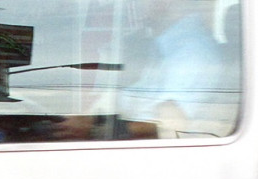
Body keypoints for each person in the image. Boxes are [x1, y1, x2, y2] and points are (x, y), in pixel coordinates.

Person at [54, 0, 223, 140]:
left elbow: (171, 124)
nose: (135, 4)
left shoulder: (191, 52)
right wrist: (91, 121)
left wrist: (96, 130)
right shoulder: (164, 46)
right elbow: (136, 106)